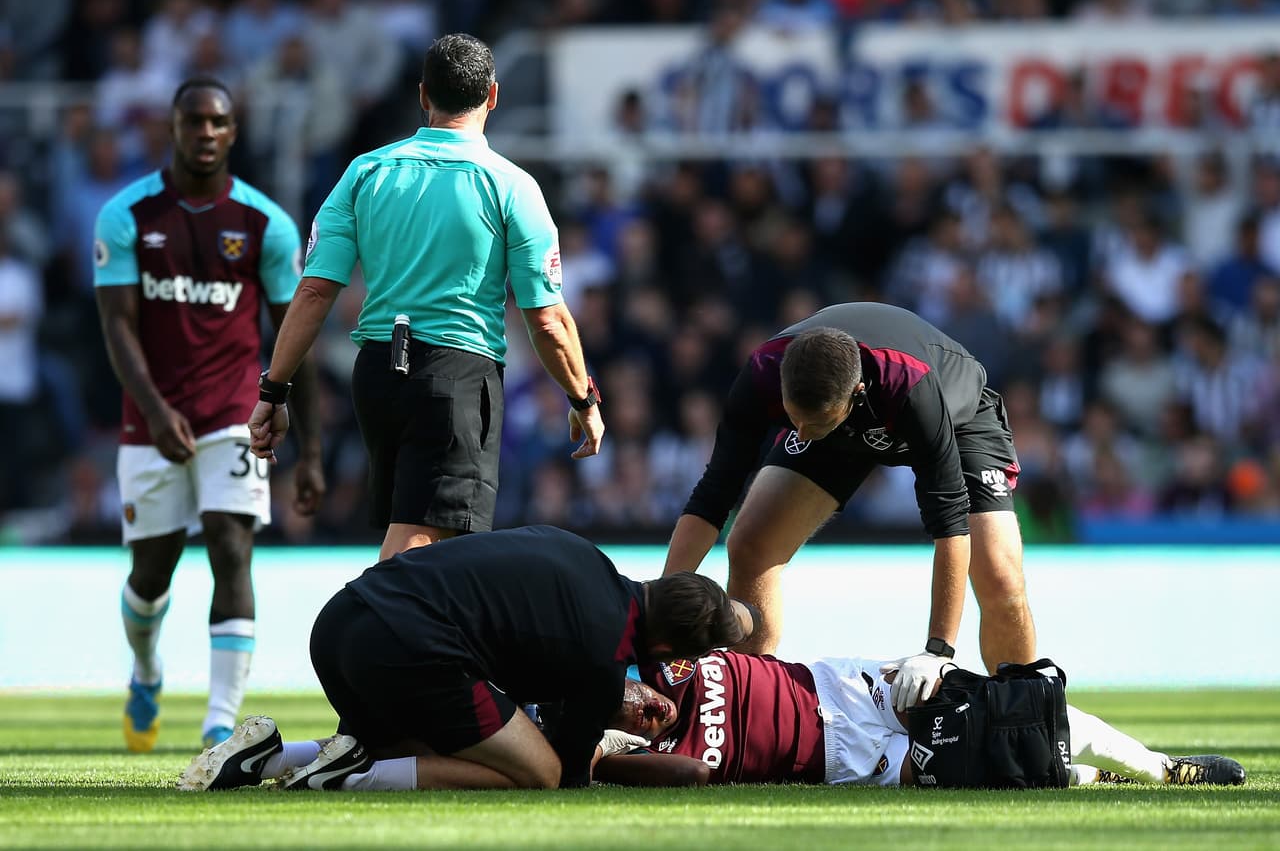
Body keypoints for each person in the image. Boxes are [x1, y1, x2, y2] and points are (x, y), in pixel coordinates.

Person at [247, 33, 604, 563]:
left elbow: (315, 290)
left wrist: (273, 390)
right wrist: (583, 398)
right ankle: (360, 616)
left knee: (443, 549)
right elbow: (548, 320)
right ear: (493, 95)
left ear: (422, 95)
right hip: (456, 375)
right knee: (418, 547)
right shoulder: (512, 185)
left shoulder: (365, 172)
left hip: (376, 375)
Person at [94, 77, 324, 752]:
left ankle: (220, 723)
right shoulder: (126, 215)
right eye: (193, 121)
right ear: (173, 127)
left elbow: (294, 335)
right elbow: (117, 327)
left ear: (233, 132)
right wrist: (154, 408)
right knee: (151, 575)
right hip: (151, 421)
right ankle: (146, 669)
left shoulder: (265, 224)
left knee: (231, 546)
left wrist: (310, 451)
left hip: (233, 415)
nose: (205, 133)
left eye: (218, 122)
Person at [177, 525, 756, 792]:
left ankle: (269, 757)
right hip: (404, 651)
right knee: (539, 772)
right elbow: (570, 773)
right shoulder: (605, 658)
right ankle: (349, 780)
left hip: (339, 623)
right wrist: (611, 740)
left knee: (439, 743)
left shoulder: (582, 551)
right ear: (665, 648)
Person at [663, 301, 1035, 709]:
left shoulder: (912, 388)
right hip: (840, 425)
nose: (801, 432)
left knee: (999, 576)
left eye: (812, 423)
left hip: (955, 420)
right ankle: (750, 703)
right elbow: (714, 493)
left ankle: (1027, 713)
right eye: (793, 418)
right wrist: (662, 605)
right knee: (750, 543)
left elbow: (950, 528)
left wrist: (938, 650)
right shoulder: (763, 374)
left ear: (856, 394)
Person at [590, 651, 1247, 788]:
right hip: (835, 758)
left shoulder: (657, 657)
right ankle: (1089, 779)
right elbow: (691, 776)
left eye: (635, 696)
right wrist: (604, 759)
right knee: (976, 764)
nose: (650, 712)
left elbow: (723, 617)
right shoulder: (641, 758)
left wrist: (928, 654)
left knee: (996, 705)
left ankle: (1163, 768)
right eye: (636, 721)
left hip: (841, 685)